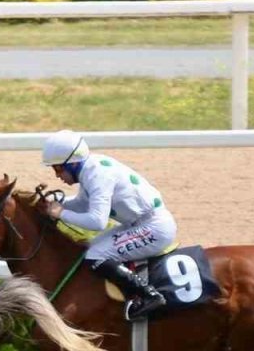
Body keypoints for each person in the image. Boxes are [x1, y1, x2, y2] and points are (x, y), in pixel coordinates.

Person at [41, 129, 172, 321]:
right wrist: (57, 204)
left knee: (96, 255)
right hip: (140, 223)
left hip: (154, 227)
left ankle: (149, 295)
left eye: (59, 168)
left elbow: (97, 221)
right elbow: (83, 203)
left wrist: (61, 213)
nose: (57, 175)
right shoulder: (91, 169)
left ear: (74, 163)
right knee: (90, 249)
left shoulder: (97, 175)